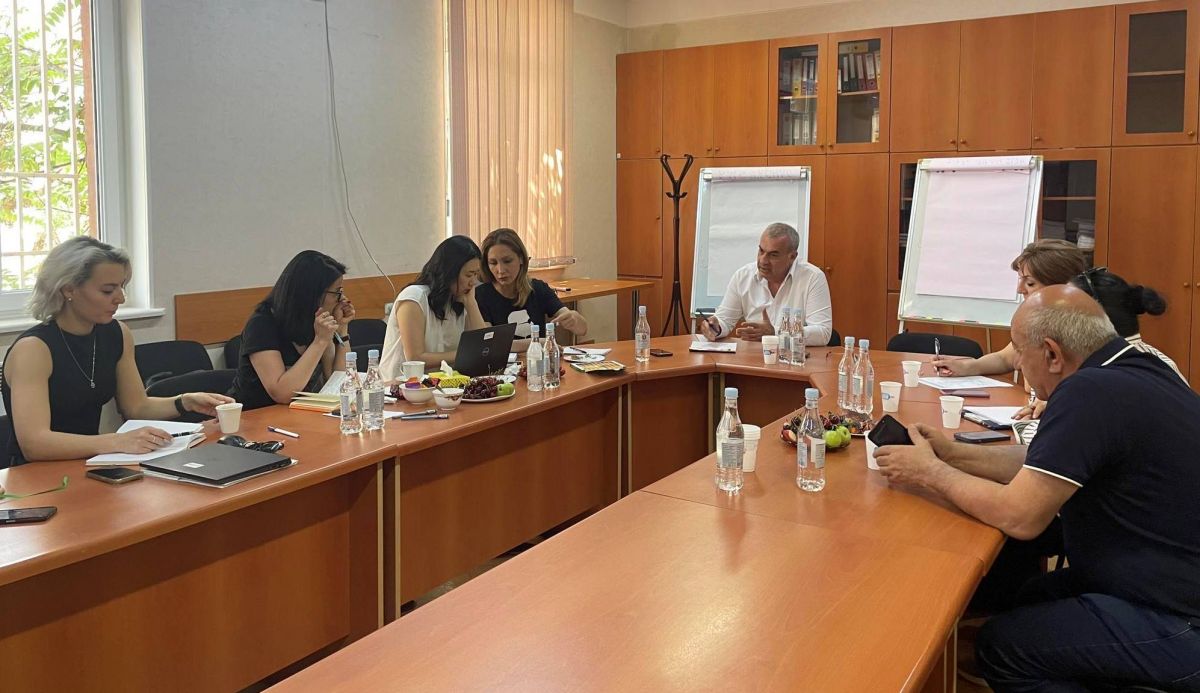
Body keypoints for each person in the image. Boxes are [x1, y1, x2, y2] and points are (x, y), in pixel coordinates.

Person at [874, 285, 1200, 691]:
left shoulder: (1089, 391)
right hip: (1159, 580)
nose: (1016, 363)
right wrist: (952, 454)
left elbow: (1020, 516)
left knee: (1002, 648)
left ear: (1052, 354)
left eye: (1018, 351)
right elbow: (1044, 463)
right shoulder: (1134, 369)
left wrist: (930, 473)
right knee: (1027, 598)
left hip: (1177, 617)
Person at [0, 237, 232, 465]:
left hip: (88, 461)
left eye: (122, 287)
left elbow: (137, 407)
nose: (120, 298)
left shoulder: (116, 333)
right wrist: (117, 441)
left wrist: (185, 402)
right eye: (107, 291)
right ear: (68, 289)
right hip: (34, 474)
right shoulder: (34, 349)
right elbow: (34, 443)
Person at [930, 239, 1088, 378]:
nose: (1020, 289)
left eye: (1030, 283)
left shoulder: (1080, 329)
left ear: (1061, 286)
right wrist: (966, 366)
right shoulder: (1039, 319)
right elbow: (1006, 358)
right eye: (1021, 280)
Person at [229, 250, 354, 410]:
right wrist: (320, 341)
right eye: (337, 292)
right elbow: (282, 393)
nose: (342, 299)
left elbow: (338, 384)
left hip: (298, 415)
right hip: (254, 416)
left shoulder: (315, 321)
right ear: (312, 294)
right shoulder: (261, 325)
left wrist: (342, 329)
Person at [696, 222, 832, 345]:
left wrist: (776, 333)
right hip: (753, 358)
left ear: (792, 257)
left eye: (773, 255)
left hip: (794, 358)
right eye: (761, 251)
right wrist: (715, 327)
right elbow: (724, 320)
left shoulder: (812, 277)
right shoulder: (743, 276)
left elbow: (823, 333)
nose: (763, 260)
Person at [381, 235, 486, 376]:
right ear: (449, 272)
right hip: (403, 384)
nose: (473, 282)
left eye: (476, 275)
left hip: (444, 382)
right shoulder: (414, 298)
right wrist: (465, 354)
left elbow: (483, 346)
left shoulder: (460, 298)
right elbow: (415, 358)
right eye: (469, 275)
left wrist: (471, 304)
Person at [474, 228, 587, 351]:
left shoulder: (538, 288)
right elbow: (489, 343)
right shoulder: (481, 295)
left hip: (538, 361)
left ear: (521, 259)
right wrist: (537, 342)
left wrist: (574, 318)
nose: (500, 270)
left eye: (507, 261)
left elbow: (582, 330)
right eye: (493, 263)